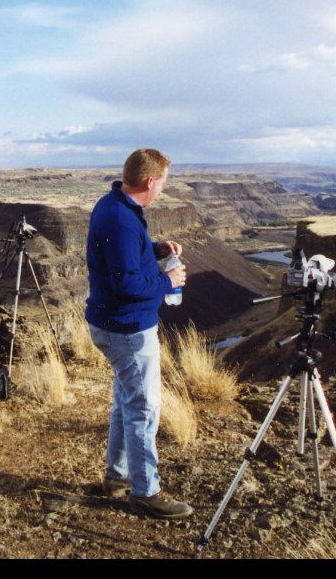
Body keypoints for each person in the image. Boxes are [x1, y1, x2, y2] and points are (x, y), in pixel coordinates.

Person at [85, 148, 193, 519]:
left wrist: (155, 249)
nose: (163, 189)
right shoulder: (121, 219)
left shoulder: (115, 205)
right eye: (162, 182)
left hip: (114, 325)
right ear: (150, 181)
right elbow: (126, 283)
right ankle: (146, 492)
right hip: (128, 329)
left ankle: (116, 478)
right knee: (144, 409)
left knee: (126, 403)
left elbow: (123, 257)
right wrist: (168, 280)